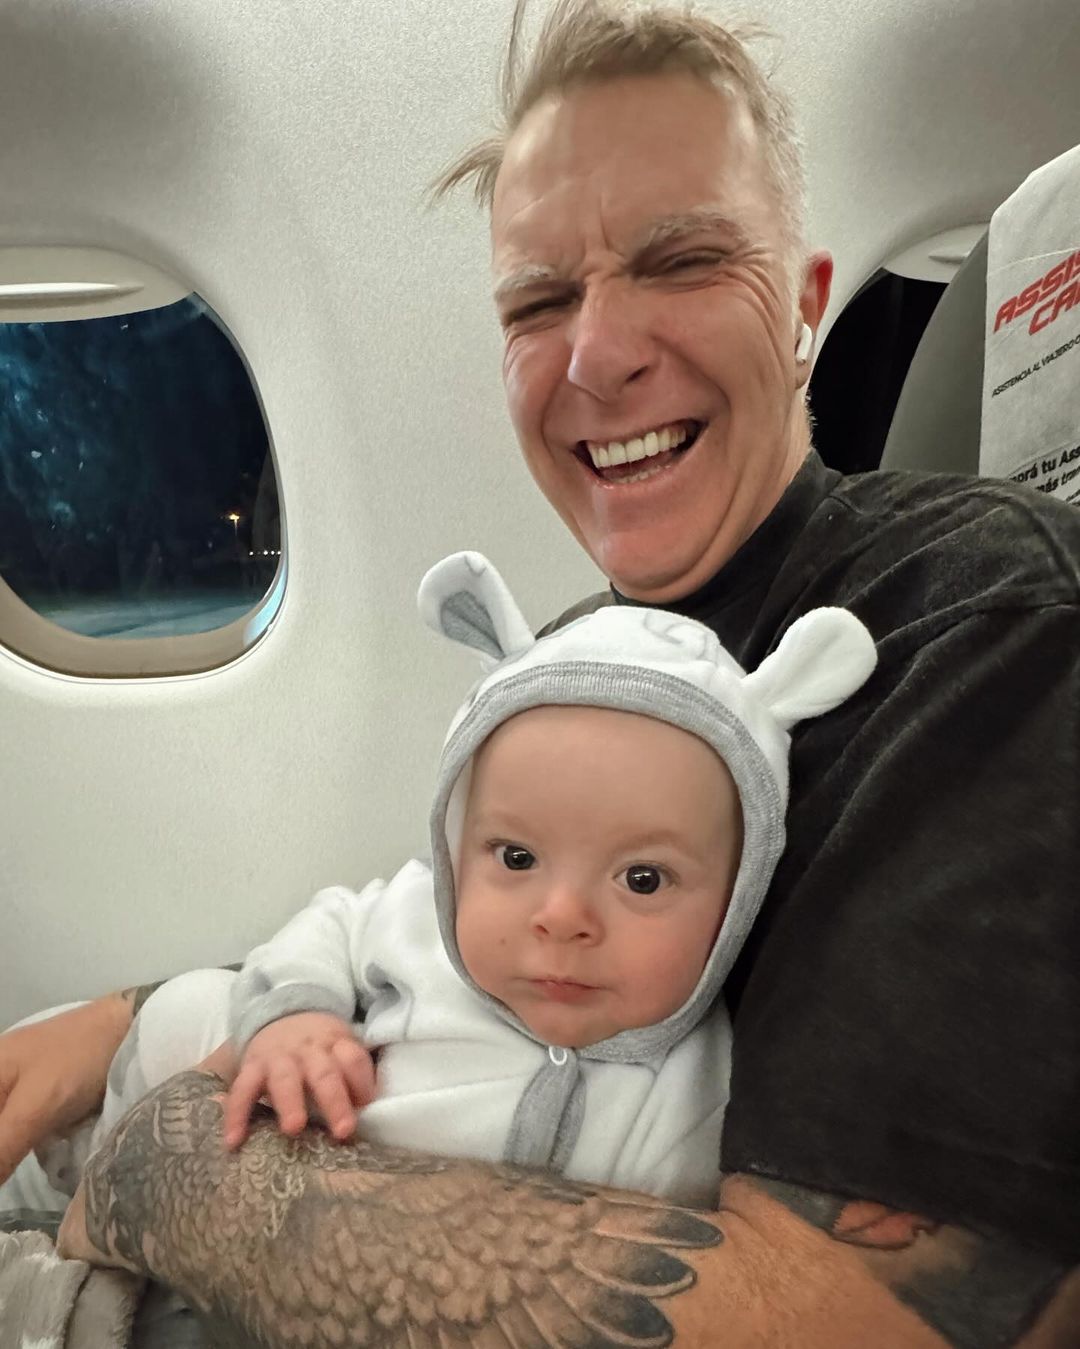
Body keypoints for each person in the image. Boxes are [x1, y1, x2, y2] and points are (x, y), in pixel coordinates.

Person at [7, 2, 1080, 1344]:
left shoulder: (976, 612)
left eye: (681, 260)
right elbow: (428, 931)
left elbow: (854, 1314)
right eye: (540, 301)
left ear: (807, 307)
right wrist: (123, 1025)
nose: (596, 352)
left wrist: (158, 1172)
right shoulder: (575, 651)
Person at [41, 551, 874, 1211]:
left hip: (355, 1226)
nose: (562, 916)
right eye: (515, 858)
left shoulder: (706, 1093)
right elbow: (334, 920)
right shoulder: (418, 925)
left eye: (644, 877)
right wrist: (296, 1017)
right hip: (279, 1103)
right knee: (187, 1007)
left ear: (739, 896)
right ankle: (67, 1172)